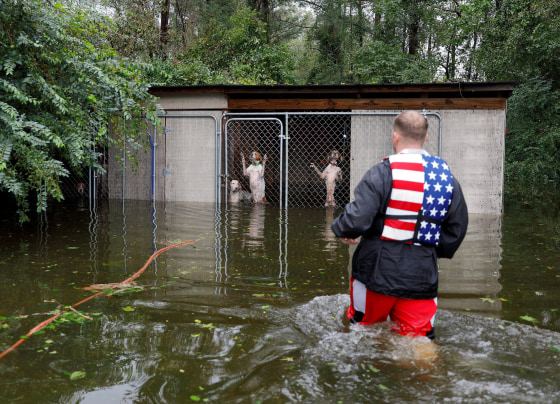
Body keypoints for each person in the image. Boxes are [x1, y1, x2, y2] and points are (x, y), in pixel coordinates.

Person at [331, 110, 468, 339]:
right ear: (425, 137)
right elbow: (457, 228)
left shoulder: (382, 172)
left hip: (376, 270)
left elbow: (358, 218)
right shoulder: (446, 178)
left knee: (363, 331)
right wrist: (429, 250)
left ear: (395, 136)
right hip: (422, 272)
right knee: (418, 340)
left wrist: (344, 229)